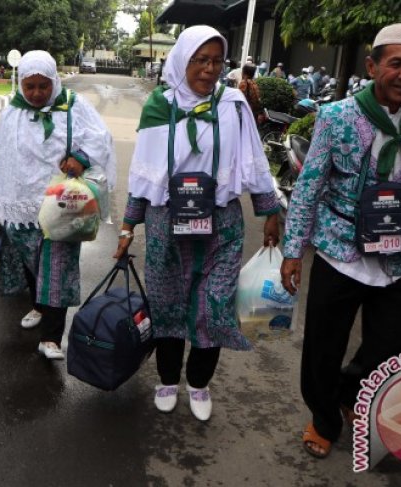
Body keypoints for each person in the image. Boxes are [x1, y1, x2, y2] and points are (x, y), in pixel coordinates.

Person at [280, 23, 401, 459]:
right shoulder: (337, 116)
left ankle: (350, 388)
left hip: (398, 254)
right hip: (340, 251)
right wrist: (292, 250)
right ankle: (324, 418)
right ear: (373, 65)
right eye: (395, 63)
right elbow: (309, 185)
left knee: (391, 344)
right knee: (323, 345)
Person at [114, 25, 281, 422]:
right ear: (181, 61)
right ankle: (168, 380)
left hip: (220, 226)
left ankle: (200, 384)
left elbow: (254, 161)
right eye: (199, 60)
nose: (209, 69)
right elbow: (143, 175)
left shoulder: (234, 103)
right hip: (165, 227)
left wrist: (269, 212)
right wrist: (126, 227)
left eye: (216, 61)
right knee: (167, 306)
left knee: (213, 307)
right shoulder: (158, 105)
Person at [0, 50, 116, 360]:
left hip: (63, 205)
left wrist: (80, 159)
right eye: (30, 87)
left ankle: (51, 338)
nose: (37, 93)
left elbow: (100, 139)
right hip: (21, 204)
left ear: (53, 81)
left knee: (58, 269)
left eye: (43, 86)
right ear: (21, 85)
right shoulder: (11, 112)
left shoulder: (73, 106)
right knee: (30, 260)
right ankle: (38, 305)